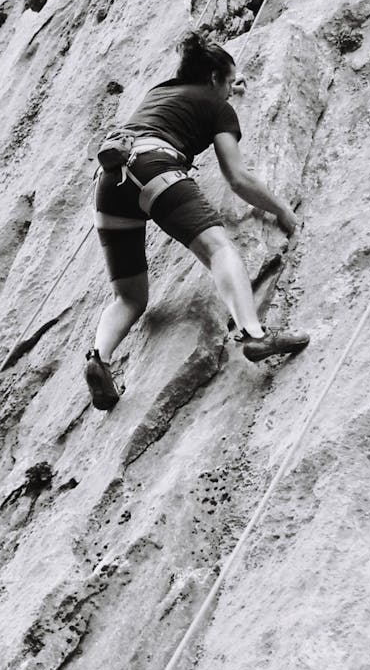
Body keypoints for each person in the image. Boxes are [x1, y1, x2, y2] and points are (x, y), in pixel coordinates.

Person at [85, 31, 310, 410]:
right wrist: (283, 210)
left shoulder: (161, 92)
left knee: (129, 298)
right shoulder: (217, 106)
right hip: (155, 165)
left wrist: (226, 92)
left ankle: (99, 358)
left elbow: (197, 106)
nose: (232, 88)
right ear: (213, 79)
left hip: (109, 184)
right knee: (219, 248)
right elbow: (237, 178)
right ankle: (254, 334)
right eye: (229, 80)